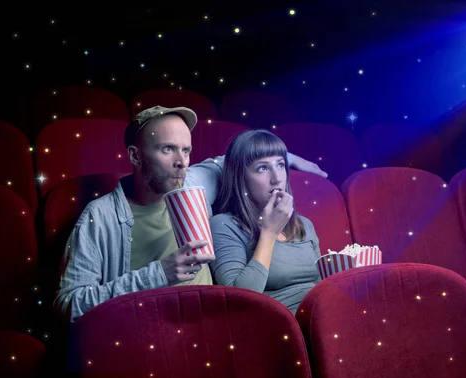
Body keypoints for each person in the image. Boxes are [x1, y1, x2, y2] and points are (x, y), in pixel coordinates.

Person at [54, 106, 327, 323]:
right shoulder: (101, 216)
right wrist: (159, 274)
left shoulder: (193, 183)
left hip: (213, 327)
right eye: (167, 149)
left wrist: (288, 157)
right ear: (135, 156)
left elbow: (234, 161)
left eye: (186, 150)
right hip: (144, 334)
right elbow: (68, 305)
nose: (181, 161)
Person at [209, 129, 322, 314]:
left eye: (280, 165)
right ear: (241, 177)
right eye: (262, 168)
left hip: (321, 317)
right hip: (278, 327)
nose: (277, 178)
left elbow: (320, 286)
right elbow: (240, 300)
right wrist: (268, 234)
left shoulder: (305, 225)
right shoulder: (224, 225)